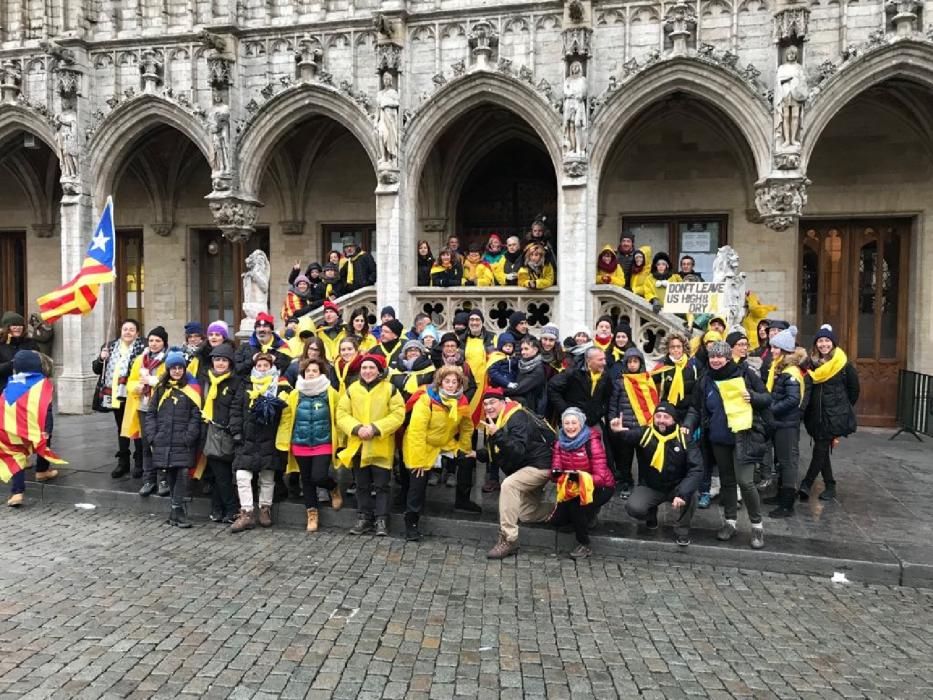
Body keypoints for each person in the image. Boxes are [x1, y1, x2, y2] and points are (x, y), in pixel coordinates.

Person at [683, 341, 772, 549]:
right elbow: (696, 408)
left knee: (745, 481)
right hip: (718, 438)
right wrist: (688, 424)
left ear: (728, 358)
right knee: (727, 481)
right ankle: (730, 522)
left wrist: (754, 398)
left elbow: (767, 398)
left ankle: (757, 526)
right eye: (712, 357)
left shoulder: (745, 374)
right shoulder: (705, 380)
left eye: (719, 357)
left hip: (744, 437)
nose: (715, 360)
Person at [610, 402, 703, 546]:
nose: (661, 420)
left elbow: (696, 469)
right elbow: (629, 436)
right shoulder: (646, 433)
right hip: (651, 486)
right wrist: (618, 431)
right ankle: (651, 515)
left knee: (691, 495)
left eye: (666, 417)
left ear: (674, 420)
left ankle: (682, 530)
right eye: (658, 416)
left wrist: (683, 493)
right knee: (633, 508)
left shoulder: (685, 438)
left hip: (676, 487)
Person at [481, 388, 556, 559]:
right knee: (526, 514)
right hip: (528, 465)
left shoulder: (516, 417)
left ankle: (508, 539)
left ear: (503, 402)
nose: (488, 407)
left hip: (539, 465)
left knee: (509, 485)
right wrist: (477, 454)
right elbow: (499, 450)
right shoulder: (500, 418)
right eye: (485, 404)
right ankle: (563, 511)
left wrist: (497, 434)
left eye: (492, 402)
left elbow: (518, 451)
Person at [402, 366, 475, 541]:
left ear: (460, 384)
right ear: (440, 382)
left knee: (467, 461)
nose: (450, 385)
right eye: (447, 381)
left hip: (445, 443)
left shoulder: (462, 401)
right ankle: (411, 522)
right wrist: (418, 461)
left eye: (454, 382)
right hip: (422, 445)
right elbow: (416, 432)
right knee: (418, 481)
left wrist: (465, 449)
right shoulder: (427, 400)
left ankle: (463, 500)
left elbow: (466, 426)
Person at [336, 353, 405, 536]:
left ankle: (382, 519)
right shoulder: (352, 389)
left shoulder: (390, 389)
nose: (367, 371)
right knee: (362, 484)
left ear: (379, 370)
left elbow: (398, 414)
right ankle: (364, 517)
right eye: (364, 368)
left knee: (382, 485)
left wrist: (375, 428)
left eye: (371, 368)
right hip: (359, 445)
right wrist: (357, 428)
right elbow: (342, 413)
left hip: (380, 445)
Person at [277, 357, 343, 533]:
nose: (311, 374)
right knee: (306, 480)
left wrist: (342, 440)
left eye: (315, 370)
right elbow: (287, 419)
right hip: (300, 442)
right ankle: (312, 514)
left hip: (324, 442)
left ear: (321, 373)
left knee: (318, 476)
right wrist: (284, 442)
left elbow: (338, 417)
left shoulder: (331, 393)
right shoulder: (294, 394)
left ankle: (333, 487)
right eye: (308, 371)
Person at [229, 352, 288, 533]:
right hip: (247, 437)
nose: (262, 369)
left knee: (267, 477)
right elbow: (236, 409)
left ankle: (265, 508)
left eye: (266, 366)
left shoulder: (279, 386)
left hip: (269, 438)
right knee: (242, 475)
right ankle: (246, 512)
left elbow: (285, 413)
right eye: (260, 365)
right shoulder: (246, 385)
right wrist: (236, 431)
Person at [800, 324, 859, 502]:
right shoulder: (812, 364)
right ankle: (830, 485)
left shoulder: (843, 364)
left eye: (827, 341)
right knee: (822, 450)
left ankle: (806, 484)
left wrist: (841, 407)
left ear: (833, 343)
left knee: (820, 449)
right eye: (820, 341)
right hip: (816, 415)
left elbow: (854, 389)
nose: (823, 344)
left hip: (833, 415)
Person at [547, 407, 615, 559]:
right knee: (558, 521)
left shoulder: (592, 442)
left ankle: (584, 544)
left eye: (573, 423)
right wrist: (555, 474)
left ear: (581, 423)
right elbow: (555, 469)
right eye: (566, 423)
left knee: (576, 507)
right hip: (574, 486)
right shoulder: (560, 443)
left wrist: (579, 478)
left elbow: (601, 477)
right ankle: (588, 516)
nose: (570, 427)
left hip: (600, 486)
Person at [145, 349, 203, 528]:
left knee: (182, 473)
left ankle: (177, 510)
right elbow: (151, 413)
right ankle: (175, 511)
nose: (177, 371)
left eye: (180, 368)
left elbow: (195, 415)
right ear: (168, 369)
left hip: (182, 441)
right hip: (163, 439)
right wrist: (153, 435)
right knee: (170, 472)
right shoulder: (161, 389)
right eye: (173, 368)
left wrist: (189, 436)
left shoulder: (191, 390)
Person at [5, 350, 62, 507]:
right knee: (44, 444)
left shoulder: (12, 383)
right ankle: (42, 471)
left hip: (13, 425)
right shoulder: (43, 384)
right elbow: (47, 408)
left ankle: (17, 492)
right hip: (36, 423)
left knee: (16, 456)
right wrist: (47, 428)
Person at [761, 325, 807, 517]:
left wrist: (771, 409)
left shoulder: (791, 373)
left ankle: (787, 504)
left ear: (786, 351)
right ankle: (781, 495)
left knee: (788, 462)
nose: (772, 351)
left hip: (787, 424)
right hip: (781, 423)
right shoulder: (782, 368)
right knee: (782, 461)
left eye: (776, 348)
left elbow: (792, 399)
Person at [91, 318, 146, 478]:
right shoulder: (110, 346)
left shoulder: (142, 347)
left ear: (137, 333)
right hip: (115, 394)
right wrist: (101, 358)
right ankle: (123, 462)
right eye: (125, 329)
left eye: (131, 329)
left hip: (134, 393)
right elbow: (96, 369)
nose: (127, 332)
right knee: (121, 428)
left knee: (136, 427)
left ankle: (140, 463)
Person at [123, 326, 169, 497]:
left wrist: (154, 381)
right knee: (146, 444)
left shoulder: (168, 359)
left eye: (158, 340)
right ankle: (149, 479)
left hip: (162, 407)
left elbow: (172, 381)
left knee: (160, 443)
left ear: (164, 342)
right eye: (151, 340)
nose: (154, 344)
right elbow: (130, 382)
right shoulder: (140, 360)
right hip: (143, 407)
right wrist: (138, 387)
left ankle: (163, 479)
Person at [606, 348, 658, 498]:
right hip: (625, 428)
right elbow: (613, 405)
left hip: (643, 427)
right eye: (629, 362)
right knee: (625, 459)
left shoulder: (648, 380)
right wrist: (612, 421)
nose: (632, 365)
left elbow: (653, 402)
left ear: (640, 363)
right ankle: (626, 483)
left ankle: (643, 484)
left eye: (635, 361)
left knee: (644, 459)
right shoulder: (620, 382)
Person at [199, 343, 241, 524]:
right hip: (208, 430)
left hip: (227, 432)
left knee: (222, 475)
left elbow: (236, 407)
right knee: (218, 474)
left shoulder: (236, 382)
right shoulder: (205, 379)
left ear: (230, 363)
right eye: (217, 360)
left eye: (224, 360)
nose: (220, 364)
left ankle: (223, 509)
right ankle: (225, 509)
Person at [548, 346, 612, 427]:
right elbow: (552, 387)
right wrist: (565, 410)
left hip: (593, 423)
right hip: (573, 424)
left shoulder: (605, 376)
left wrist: (600, 411)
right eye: (600, 360)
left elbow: (607, 398)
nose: (604, 363)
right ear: (589, 361)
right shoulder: (573, 374)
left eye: (604, 359)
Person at [651, 331, 698, 421]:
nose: (676, 350)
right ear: (668, 349)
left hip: (687, 415)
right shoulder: (662, 367)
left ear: (683, 348)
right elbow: (649, 385)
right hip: (666, 415)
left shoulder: (693, 366)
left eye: (678, 347)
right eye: (672, 347)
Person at [234, 312, 290, 377]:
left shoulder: (282, 347)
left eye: (265, 326)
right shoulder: (244, 348)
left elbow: (288, 370)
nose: (261, 329)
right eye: (258, 326)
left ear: (271, 330)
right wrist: (251, 360)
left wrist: (275, 361)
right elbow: (237, 369)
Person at [0, 312, 39, 396]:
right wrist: (12, 364)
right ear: (6, 327)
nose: (18, 328)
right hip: (4, 389)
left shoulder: (30, 343)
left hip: (27, 390)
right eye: (14, 325)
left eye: (20, 325)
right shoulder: (1, 344)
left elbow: (39, 362)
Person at [505, 336, 547, 415]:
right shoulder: (522, 363)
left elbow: (520, 388)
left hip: (530, 410)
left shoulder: (538, 370)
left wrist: (501, 391)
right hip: (520, 405)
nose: (522, 352)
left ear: (535, 350)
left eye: (526, 349)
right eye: (522, 349)